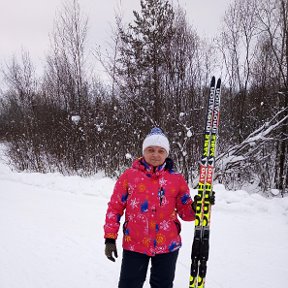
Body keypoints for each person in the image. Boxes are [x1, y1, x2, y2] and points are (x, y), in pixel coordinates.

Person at [103, 127, 215, 288]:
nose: (156, 154)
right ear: (143, 151)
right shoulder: (129, 176)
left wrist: (198, 206)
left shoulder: (176, 179)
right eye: (151, 150)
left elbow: (186, 213)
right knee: (129, 284)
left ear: (166, 153)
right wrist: (109, 238)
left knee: (162, 285)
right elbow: (115, 208)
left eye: (160, 151)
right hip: (135, 242)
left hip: (168, 245)